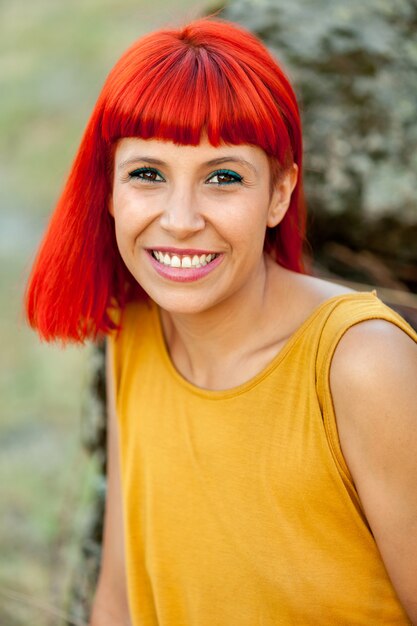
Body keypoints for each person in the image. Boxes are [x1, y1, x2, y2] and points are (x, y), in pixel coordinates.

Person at [25, 17, 417, 626]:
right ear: (108, 188)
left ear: (280, 193)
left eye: (224, 177)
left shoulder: (361, 363)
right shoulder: (132, 332)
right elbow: (118, 603)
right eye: (147, 174)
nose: (180, 220)